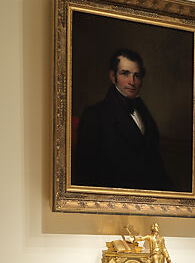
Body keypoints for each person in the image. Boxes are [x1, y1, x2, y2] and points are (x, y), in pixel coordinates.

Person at [73, 48, 173, 191]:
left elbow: (156, 166)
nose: (132, 81)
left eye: (137, 76)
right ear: (113, 77)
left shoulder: (145, 116)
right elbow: (86, 175)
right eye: (125, 74)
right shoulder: (94, 116)